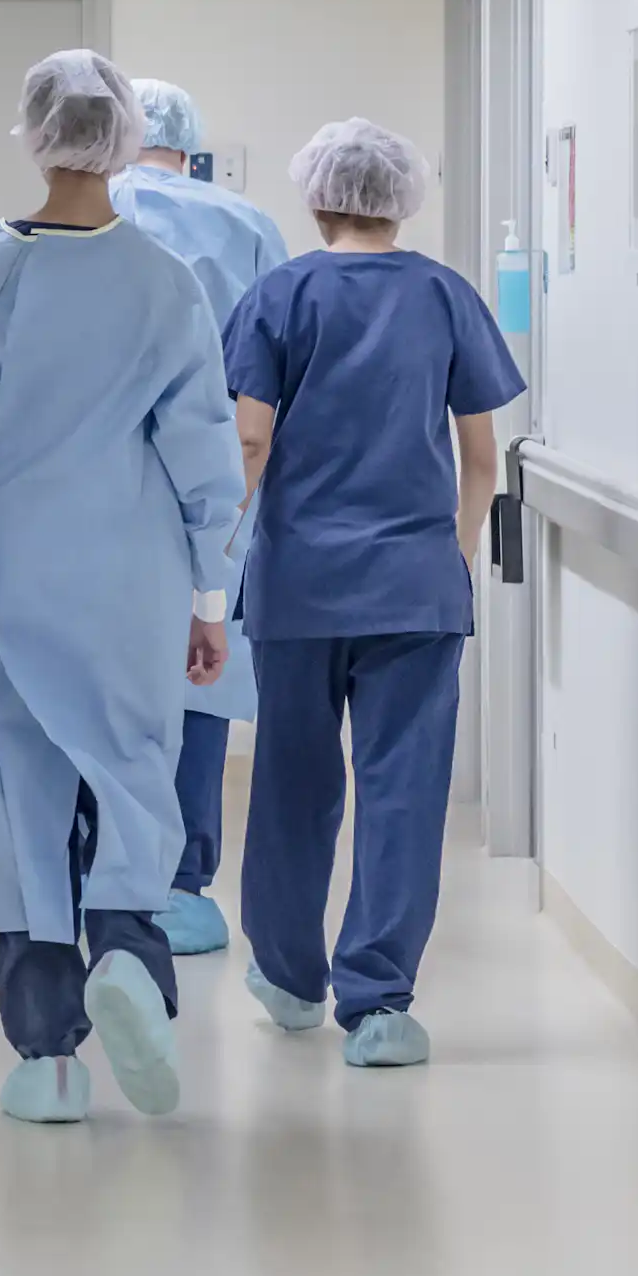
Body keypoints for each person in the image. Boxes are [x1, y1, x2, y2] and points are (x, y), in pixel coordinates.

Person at [0, 51, 245, 1123]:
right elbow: (206, 459)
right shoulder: (164, 283)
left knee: (20, 803)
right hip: (132, 584)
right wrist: (208, 597)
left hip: (7, 584)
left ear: (36, 135)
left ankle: (46, 1054)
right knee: (133, 777)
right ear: (128, 136)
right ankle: (131, 952)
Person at [223, 119, 523, 1068]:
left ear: (316, 199)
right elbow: (482, 456)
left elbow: (249, 445)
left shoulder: (280, 295)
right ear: (402, 200)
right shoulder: (444, 296)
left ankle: (288, 974)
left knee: (291, 783)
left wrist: (210, 562)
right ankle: (381, 1002)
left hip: (301, 584)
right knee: (404, 790)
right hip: (415, 588)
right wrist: (457, 551)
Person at [111, 77, 291, 958]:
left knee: (92, 681)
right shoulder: (247, 227)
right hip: (219, 479)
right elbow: (276, 374)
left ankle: (99, 877)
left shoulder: (75, 218)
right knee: (201, 663)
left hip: (88, 485)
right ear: (192, 147)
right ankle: (180, 886)